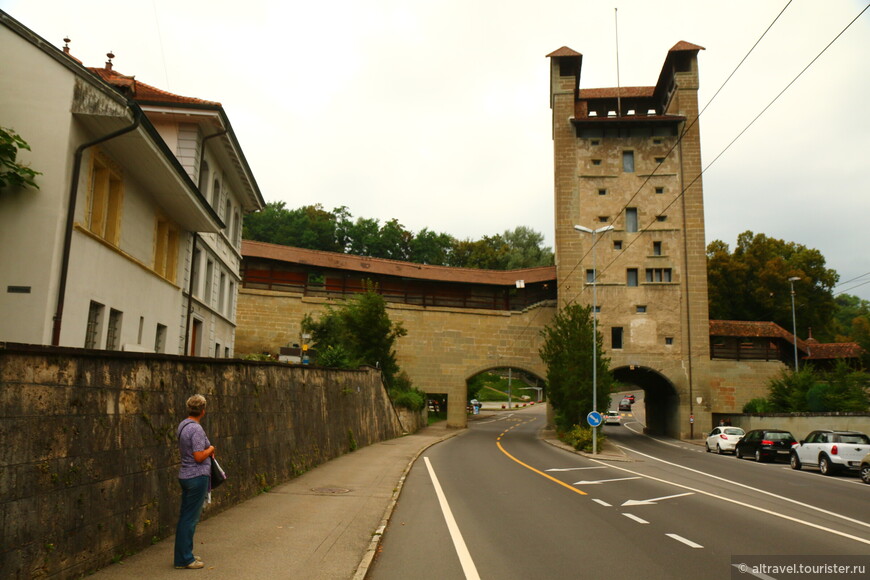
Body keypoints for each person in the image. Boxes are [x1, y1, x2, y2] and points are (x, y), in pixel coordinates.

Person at [174, 394, 215, 570]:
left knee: (185, 517)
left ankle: (183, 555)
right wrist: (211, 448)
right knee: (190, 520)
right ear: (203, 411)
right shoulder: (196, 429)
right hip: (196, 477)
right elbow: (198, 456)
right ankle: (185, 559)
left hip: (185, 475)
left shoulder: (183, 425)